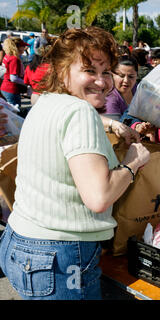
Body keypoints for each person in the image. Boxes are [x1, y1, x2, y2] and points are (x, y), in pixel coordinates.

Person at [0, 26, 150, 300]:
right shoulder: (80, 112)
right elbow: (99, 197)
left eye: (106, 72)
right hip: (60, 256)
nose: (102, 82)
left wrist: (109, 124)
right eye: (89, 71)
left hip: (20, 243)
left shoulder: (45, 102)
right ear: (61, 71)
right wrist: (133, 162)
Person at [102, 55, 138, 121]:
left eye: (131, 76)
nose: (126, 80)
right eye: (121, 76)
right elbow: (114, 129)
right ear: (112, 75)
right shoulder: (110, 99)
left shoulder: (137, 89)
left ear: (137, 76)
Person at [0, 38, 27, 108]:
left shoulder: (7, 55)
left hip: (5, 87)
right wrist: (26, 82)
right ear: (17, 47)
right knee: (15, 113)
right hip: (11, 89)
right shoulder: (14, 59)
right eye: (23, 46)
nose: (24, 48)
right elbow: (13, 78)